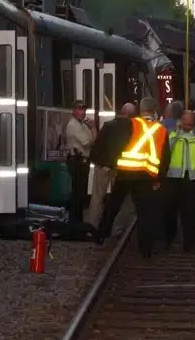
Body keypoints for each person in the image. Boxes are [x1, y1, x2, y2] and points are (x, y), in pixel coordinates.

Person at [96, 96, 168, 258]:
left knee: (113, 206)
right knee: (144, 212)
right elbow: (165, 157)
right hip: (146, 176)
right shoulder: (161, 130)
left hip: (125, 172)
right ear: (154, 110)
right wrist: (159, 178)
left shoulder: (131, 124)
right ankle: (145, 249)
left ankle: (101, 236)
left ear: (140, 110)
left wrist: (112, 164)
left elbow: (118, 144)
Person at [163, 107, 195, 250]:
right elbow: (165, 151)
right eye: (185, 122)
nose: (188, 126)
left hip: (193, 180)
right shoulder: (172, 135)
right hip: (173, 178)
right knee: (170, 211)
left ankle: (189, 244)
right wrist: (177, 133)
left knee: (191, 213)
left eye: (190, 123)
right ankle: (169, 239)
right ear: (180, 121)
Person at [89, 102, 135, 235]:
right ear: (132, 115)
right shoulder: (132, 128)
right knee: (119, 199)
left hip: (103, 166)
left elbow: (98, 144)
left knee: (97, 197)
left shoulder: (108, 125)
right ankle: (117, 228)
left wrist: (97, 161)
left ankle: (92, 227)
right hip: (120, 168)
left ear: (121, 111)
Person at [60, 99, 94, 227]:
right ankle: (74, 222)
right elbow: (88, 142)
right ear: (74, 111)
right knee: (77, 193)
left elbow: (93, 142)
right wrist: (93, 128)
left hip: (83, 161)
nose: (82, 112)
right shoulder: (73, 125)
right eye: (79, 109)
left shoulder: (83, 125)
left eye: (84, 109)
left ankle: (78, 221)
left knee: (81, 193)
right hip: (77, 161)